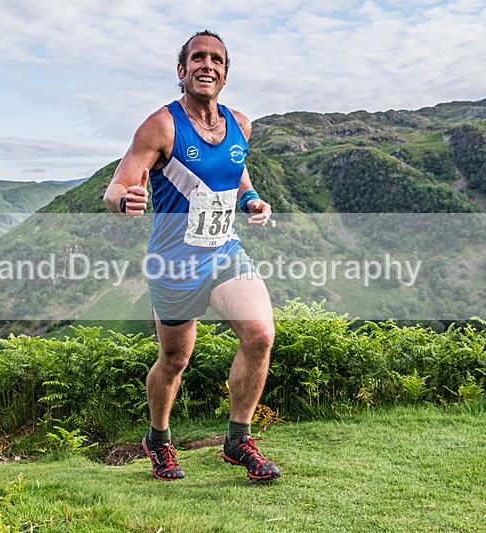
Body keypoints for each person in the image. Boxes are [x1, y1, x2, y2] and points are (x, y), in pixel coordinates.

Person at [103, 30, 280, 481]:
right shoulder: (161, 126)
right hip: (173, 263)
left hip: (224, 252)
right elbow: (116, 187)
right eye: (197, 58)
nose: (207, 64)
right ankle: (158, 439)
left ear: (224, 73)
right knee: (175, 360)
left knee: (259, 334)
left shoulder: (240, 123)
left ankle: (238, 440)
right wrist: (126, 201)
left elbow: (234, 171)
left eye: (216, 59)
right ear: (181, 71)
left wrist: (251, 199)